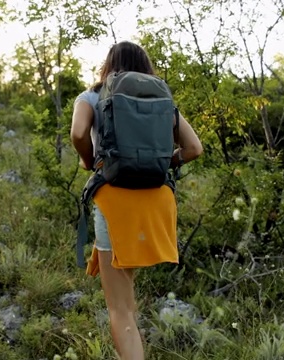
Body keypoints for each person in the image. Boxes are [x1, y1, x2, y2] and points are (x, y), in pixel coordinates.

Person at [70, 41, 203, 359]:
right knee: (127, 298)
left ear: (108, 64)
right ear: (145, 68)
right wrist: (163, 161)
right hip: (157, 202)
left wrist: (89, 161)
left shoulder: (92, 96)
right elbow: (194, 149)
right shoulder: (162, 100)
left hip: (117, 202)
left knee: (119, 309)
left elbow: (77, 134)